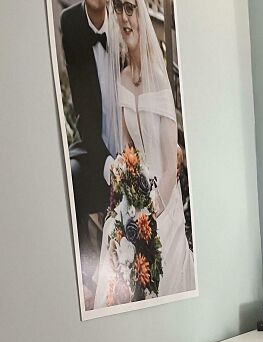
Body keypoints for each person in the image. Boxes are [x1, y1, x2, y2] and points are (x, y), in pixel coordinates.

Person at [93, 0, 194, 307]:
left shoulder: (160, 82)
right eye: (119, 9)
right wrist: (126, 199)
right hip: (136, 192)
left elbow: (169, 169)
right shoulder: (122, 79)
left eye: (130, 8)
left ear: (142, 15)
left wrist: (149, 213)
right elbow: (127, 152)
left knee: (152, 260)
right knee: (113, 234)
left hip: (162, 197)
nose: (125, 18)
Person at [61, 0, 121, 304]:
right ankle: (86, 280)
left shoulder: (126, 15)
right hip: (96, 144)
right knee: (69, 176)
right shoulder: (71, 23)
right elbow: (84, 110)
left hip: (129, 140)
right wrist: (107, 163)